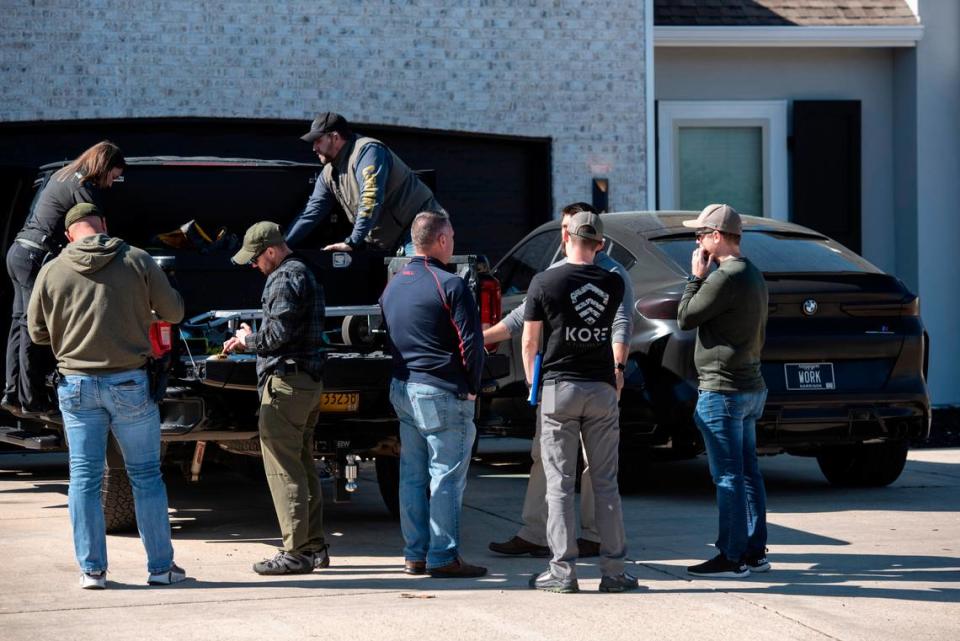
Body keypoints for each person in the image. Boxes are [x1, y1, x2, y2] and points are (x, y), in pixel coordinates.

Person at [27, 203, 185, 589]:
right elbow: (175, 312)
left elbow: (36, 333)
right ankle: (161, 569)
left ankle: (92, 571)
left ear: (69, 234)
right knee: (145, 475)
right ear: (104, 227)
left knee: (84, 477)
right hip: (129, 382)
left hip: (77, 385)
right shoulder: (136, 259)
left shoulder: (52, 270)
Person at [486, 203, 634, 559]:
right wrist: (485, 336)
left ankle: (585, 544)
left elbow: (621, 324)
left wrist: (617, 368)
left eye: (567, 228)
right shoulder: (559, 273)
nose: (563, 235)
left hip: (568, 384)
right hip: (580, 386)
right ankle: (537, 533)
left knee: (583, 469)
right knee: (547, 460)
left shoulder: (613, 277)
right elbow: (522, 317)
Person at [523, 211, 637, 594]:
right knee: (605, 483)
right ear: (599, 245)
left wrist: (532, 384)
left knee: (559, 484)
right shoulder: (614, 281)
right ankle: (615, 572)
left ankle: (562, 572)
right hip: (602, 388)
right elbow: (618, 329)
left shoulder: (544, 281)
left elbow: (529, 341)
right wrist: (618, 369)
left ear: (565, 236)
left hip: (559, 388)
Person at [379, 210, 487, 578]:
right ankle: (443, 556)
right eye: (451, 237)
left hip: (404, 388)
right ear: (440, 240)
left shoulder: (393, 285)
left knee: (411, 476)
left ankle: (415, 554)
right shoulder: (450, 284)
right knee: (445, 477)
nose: (453, 243)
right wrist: (472, 388)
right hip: (441, 391)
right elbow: (471, 344)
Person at [222, 221, 329, 575]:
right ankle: (313, 547)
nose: (254, 265)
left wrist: (245, 341)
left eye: (256, 258)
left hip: (285, 385)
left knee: (284, 471)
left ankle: (295, 552)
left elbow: (277, 336)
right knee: (302, 465)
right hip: (306, 384)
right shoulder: (304, 273)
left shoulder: (282, 278)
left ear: (271, 250)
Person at [677, 203, 770, 578]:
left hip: (723, 390)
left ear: (716, 236)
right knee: (748, 473)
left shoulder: (724, 277)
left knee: (728, 476)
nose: (697, 241)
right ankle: (753, 551)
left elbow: (685, 317)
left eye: (700, 235)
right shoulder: (753, 274)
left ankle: (731, 556)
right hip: (749, 387)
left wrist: (696, 277)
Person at [5, 141, 125, 417]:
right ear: (104, 166)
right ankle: (32, 399)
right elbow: (96, 231)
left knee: (19, 324)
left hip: (20, 252)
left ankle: (13, 392)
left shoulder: (60, 175)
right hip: (35, 257)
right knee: (34, 327)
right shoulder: (81, 184)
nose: (112, 183)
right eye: (113, 176)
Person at [285, 112, 443, 254]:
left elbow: (370, 198)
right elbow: (311, 213)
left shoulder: (368, 151)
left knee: (419, 280)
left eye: (318, 141)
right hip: (386, 242)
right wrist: (283, 245)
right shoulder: (328, 173)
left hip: (419, 229)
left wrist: (352, 241)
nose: (314, 148)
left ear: (335, 137)